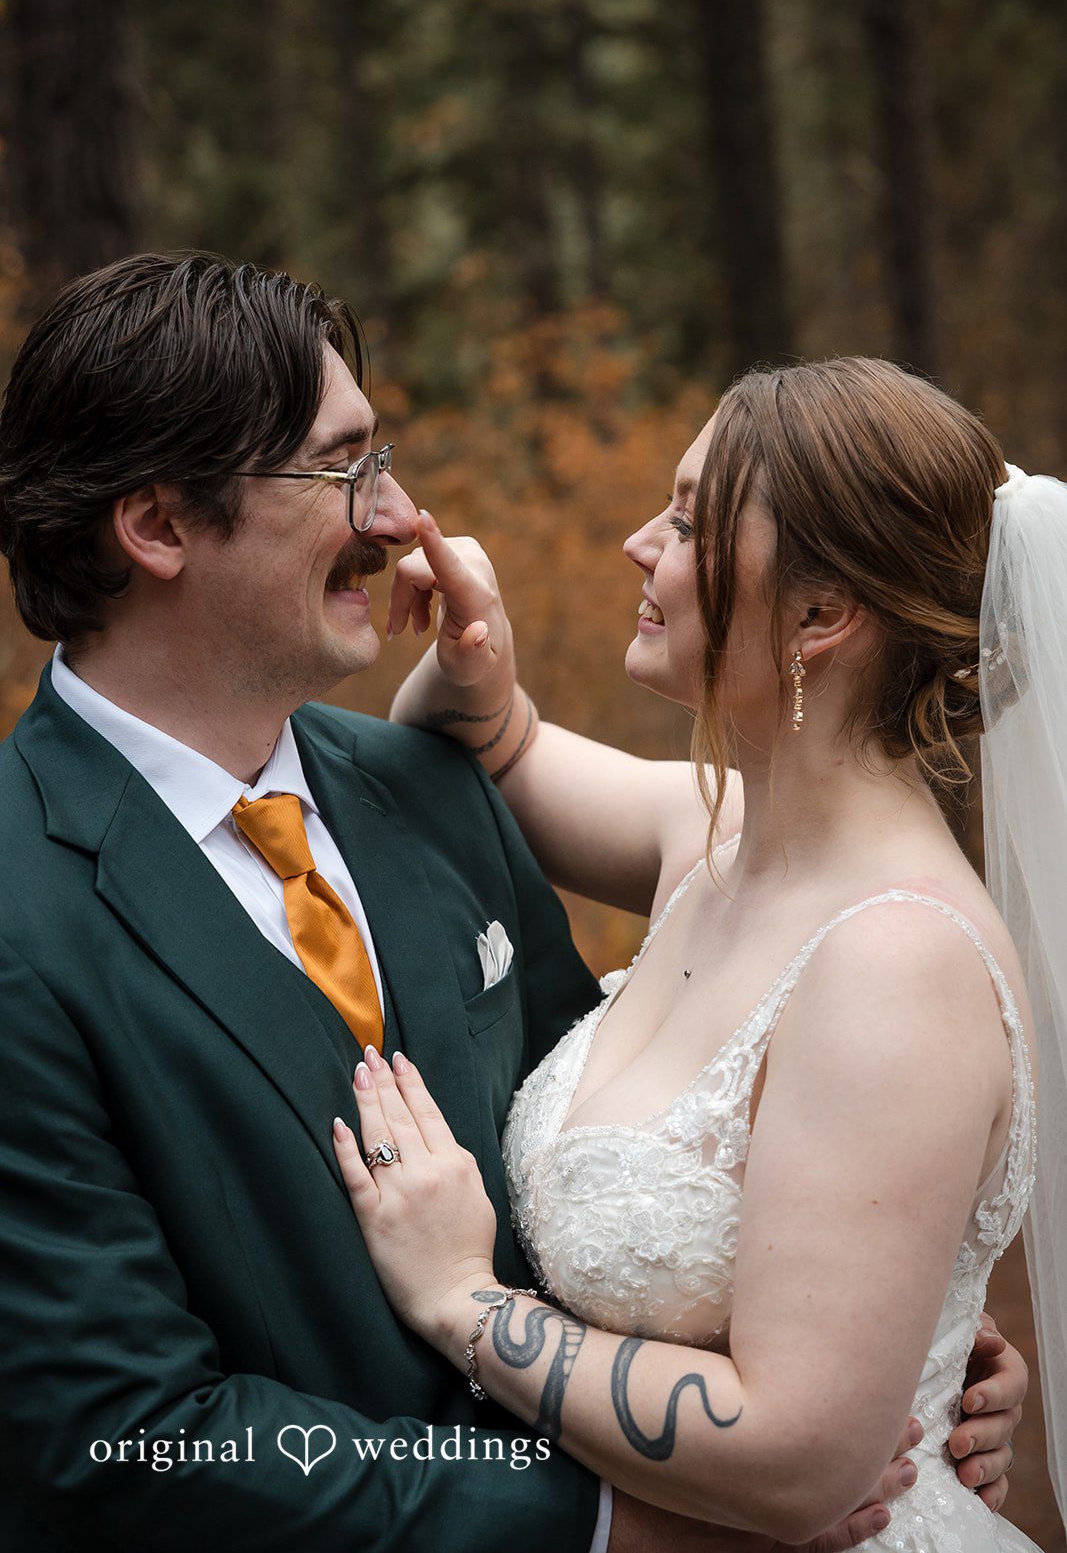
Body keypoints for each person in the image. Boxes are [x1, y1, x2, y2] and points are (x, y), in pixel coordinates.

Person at [0, 255, 1022, 1553]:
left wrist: (876, 1314)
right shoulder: (21, 913)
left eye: (384, 459)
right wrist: (619, 1522)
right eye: (342, 469)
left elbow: (589, 1174)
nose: (401, 517)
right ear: (155, 527)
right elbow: (120, 1441)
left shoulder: (423, 793)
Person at [333, 356, 1050, 1550]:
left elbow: (796, 1460)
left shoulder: (894, 965)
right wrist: (472, 653)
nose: (635, 542)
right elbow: (473, 755)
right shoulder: (705, 833)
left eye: (684, 518)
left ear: (820, 618)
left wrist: (461, 1300)